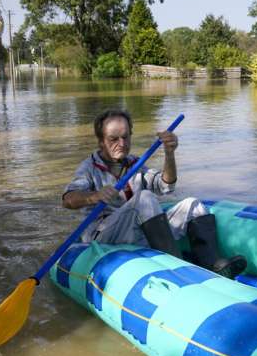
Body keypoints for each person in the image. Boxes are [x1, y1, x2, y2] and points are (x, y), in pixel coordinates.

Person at [62, 109, 246, 278]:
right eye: (113, 139)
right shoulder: (88, 168)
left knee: (192, 205)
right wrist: (93, 196)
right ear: (101, 141)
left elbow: (166, 185)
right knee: (145, 198)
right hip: (104, 234)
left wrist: (169, 153)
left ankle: (213, 264)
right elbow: (68, 200)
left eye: (126, 137)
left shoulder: (136, 164)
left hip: (136, 229)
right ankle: (177, 268)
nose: (122, 144)